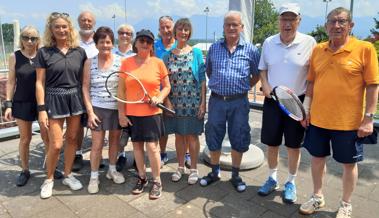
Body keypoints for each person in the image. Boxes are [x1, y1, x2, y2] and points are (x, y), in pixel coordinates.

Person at [299, 7, 379, 218]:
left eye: (342, 21)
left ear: (350, 26)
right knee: (317, 159)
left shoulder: (364, 49)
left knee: (348, 164)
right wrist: (306, 110)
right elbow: (311, 82)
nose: (336, 26)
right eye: (332, 22)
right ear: (326, 26)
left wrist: (368, 119)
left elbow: (372, 86)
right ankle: (317, 197)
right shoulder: (318, 50)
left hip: (349, 123)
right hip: (318, 120)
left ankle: (346, 204)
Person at [257, 3, 316, 203]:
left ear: (299, 21)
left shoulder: (309, 42)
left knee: (293, 146)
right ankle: (272, 178)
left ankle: (291, 182)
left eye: (292, 19)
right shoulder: (268, 42)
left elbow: (312, 78)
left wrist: (306, 105)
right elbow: (262, 69)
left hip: (297, 103)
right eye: (284, 19)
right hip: (273, 101)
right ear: (279, 21)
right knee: (271, 144)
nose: (287, 23)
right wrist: (264, 85)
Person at [200, 11, 260, 192]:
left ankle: (235, 175)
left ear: (241, 27)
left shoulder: (251, 50)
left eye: (235, 24)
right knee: (214, 134)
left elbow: (256, 75)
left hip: (239, 102)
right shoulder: (214, 48)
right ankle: (215, 171)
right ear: (224, 27)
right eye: (228, 24)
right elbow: (209, 72)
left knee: (239, 135)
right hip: (217, 101)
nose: (232, 28)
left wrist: (242, 87)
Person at [35, 12, 87, 199]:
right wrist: (41, 110)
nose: (61, 30)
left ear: (70, 28)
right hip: (53, 99)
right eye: (57, 26)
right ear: (51, 29)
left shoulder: (79, 52)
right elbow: (39, 83)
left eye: (64, 26)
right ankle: (48, 179)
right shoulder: (44, 52)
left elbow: (83, 82)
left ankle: (67, 175)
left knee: (72, 139)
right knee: (56, 144)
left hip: (75, 99)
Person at [118, 29, 170, 199]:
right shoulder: (126, 63)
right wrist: (121, 114)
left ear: (152, 44)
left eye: (148, 41)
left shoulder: (158, 62)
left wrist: (159, 97)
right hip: (133, 113)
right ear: (136, 42)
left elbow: (167, 87)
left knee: (153, 148)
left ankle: (157, 181)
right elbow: (121, 91)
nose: (145, 44)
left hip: (152, 112)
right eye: (142, 40)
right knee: (137, 147)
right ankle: (142, 177)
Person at [3, 26, 55, 186]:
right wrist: (8, 104)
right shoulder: (15, 56)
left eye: (33, 38)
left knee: (47, 137)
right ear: (21, 39)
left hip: (42, 103)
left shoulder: (43, 54)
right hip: (22, 102)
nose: (30, 41)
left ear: (38, 39)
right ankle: (25, 170)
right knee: (25, 139)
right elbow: (11, 81)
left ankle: (51, 169)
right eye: (26, 37)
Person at [162, 18, 206, 185]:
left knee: (192, 136)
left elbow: (202, 79)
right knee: (179, 136)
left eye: (186, 29)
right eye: (180, 29)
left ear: (190, 33)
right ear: (175, 32)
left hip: (193, 102)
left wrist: (203, 103)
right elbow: (164, 82)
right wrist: (166, 102)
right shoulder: (167, 56)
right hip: (175, 103)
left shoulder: (196, 53)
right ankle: (180, 167)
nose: (183, 32)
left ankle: (193, 169)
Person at [82, 26, 125, 194]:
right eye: (102, 42)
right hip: (97, 109)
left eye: (108, 42)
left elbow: (123, 88)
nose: (105, 45)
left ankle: (112, 170)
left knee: (114, 142)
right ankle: (94, 177)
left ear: (112, 43)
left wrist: (123, 111)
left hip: (115, 108)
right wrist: (90, 111)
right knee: (97, 145)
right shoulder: (89, 62)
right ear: (96, 43)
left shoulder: (119, 62)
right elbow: (85, 87)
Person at [154, 15, 183, 167]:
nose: (165, 30)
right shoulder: (154, 46)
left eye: (168, 27)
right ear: (159, 29)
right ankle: (163, 152)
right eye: (162, 27)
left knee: (181, 125)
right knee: (163, 127)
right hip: (161, 93)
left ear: (174, 27)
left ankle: (184, 153)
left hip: (180, 93)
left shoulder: (180, 45)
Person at [73, 11, 99, 171]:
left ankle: (96, 155)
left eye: (89, 20)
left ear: (93, 22)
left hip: (96, 88)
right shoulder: (72, 40)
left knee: (97, 122)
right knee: (78, 124)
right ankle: (77, 153)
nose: (86, 23)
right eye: (83, 20)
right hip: (76, 86)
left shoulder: (100, 39)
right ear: (78, 22)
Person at [113, 24, 136, 172]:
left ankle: (137, 156)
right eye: (121, 32)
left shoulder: (136, 54)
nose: (125, 35)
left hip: (133, 97)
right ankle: (121, 155)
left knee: (135, 129)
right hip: (115, 96)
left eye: (128, 33)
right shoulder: (112, 52)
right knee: (118, 130)